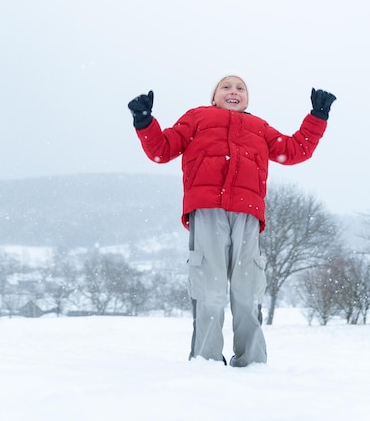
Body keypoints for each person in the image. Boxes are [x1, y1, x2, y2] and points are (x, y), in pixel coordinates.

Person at [127, 76, 336, 367]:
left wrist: (317, 117)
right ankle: (206, 359)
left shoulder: (259, 127)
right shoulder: (197, 117)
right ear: (214, 96)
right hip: (207, 209)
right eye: (226, 87)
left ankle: (252, 360)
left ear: (247, 100)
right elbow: (162, 150)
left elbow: (294, 150)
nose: (233, 91)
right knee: (209, 289)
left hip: (248, 213)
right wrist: (144, 121)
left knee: (247, 290)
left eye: (240, 88)